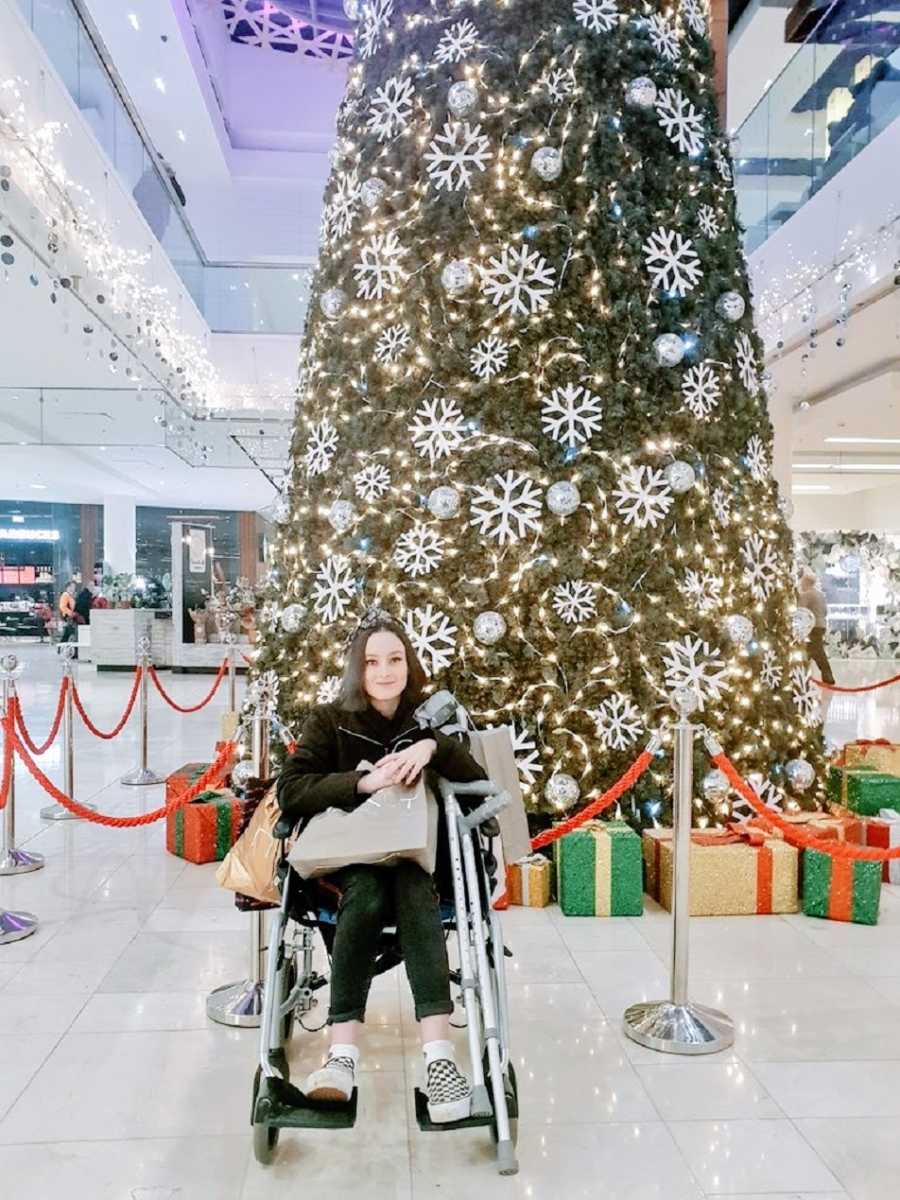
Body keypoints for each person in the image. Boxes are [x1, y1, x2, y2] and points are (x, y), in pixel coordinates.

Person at [277, 607, 487, 1124]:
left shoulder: (430, 717)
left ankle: (439, 1060)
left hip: (417, 855)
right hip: (351, 857)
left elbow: (476, 776)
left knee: (416, 892)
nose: (385, 671)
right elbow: (291, 789)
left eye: (395, 659)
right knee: (367, 893)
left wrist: (431, 746)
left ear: (409, 663)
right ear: (358, 668)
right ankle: (341, 1057)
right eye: (373, 662)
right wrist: (362, 782)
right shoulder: (329, 720)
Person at [798, 567, 835, 686]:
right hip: (821, 625)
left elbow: (799, 610)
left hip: (812, 627)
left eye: (802, 582)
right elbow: (825, 611)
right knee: (812, 650)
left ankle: (824, 675)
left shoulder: (807, 595)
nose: (801, 585)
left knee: (816, 651)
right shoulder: (820, 595)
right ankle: (804, 674)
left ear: (806, 583)